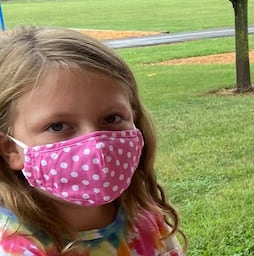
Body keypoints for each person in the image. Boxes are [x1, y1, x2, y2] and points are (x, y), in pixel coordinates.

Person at [0, 27, 184, 255]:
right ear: (11, 149)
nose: (97, 146)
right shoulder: (14, 247)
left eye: (112, 118)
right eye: (57, 126)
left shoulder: (145, 217)